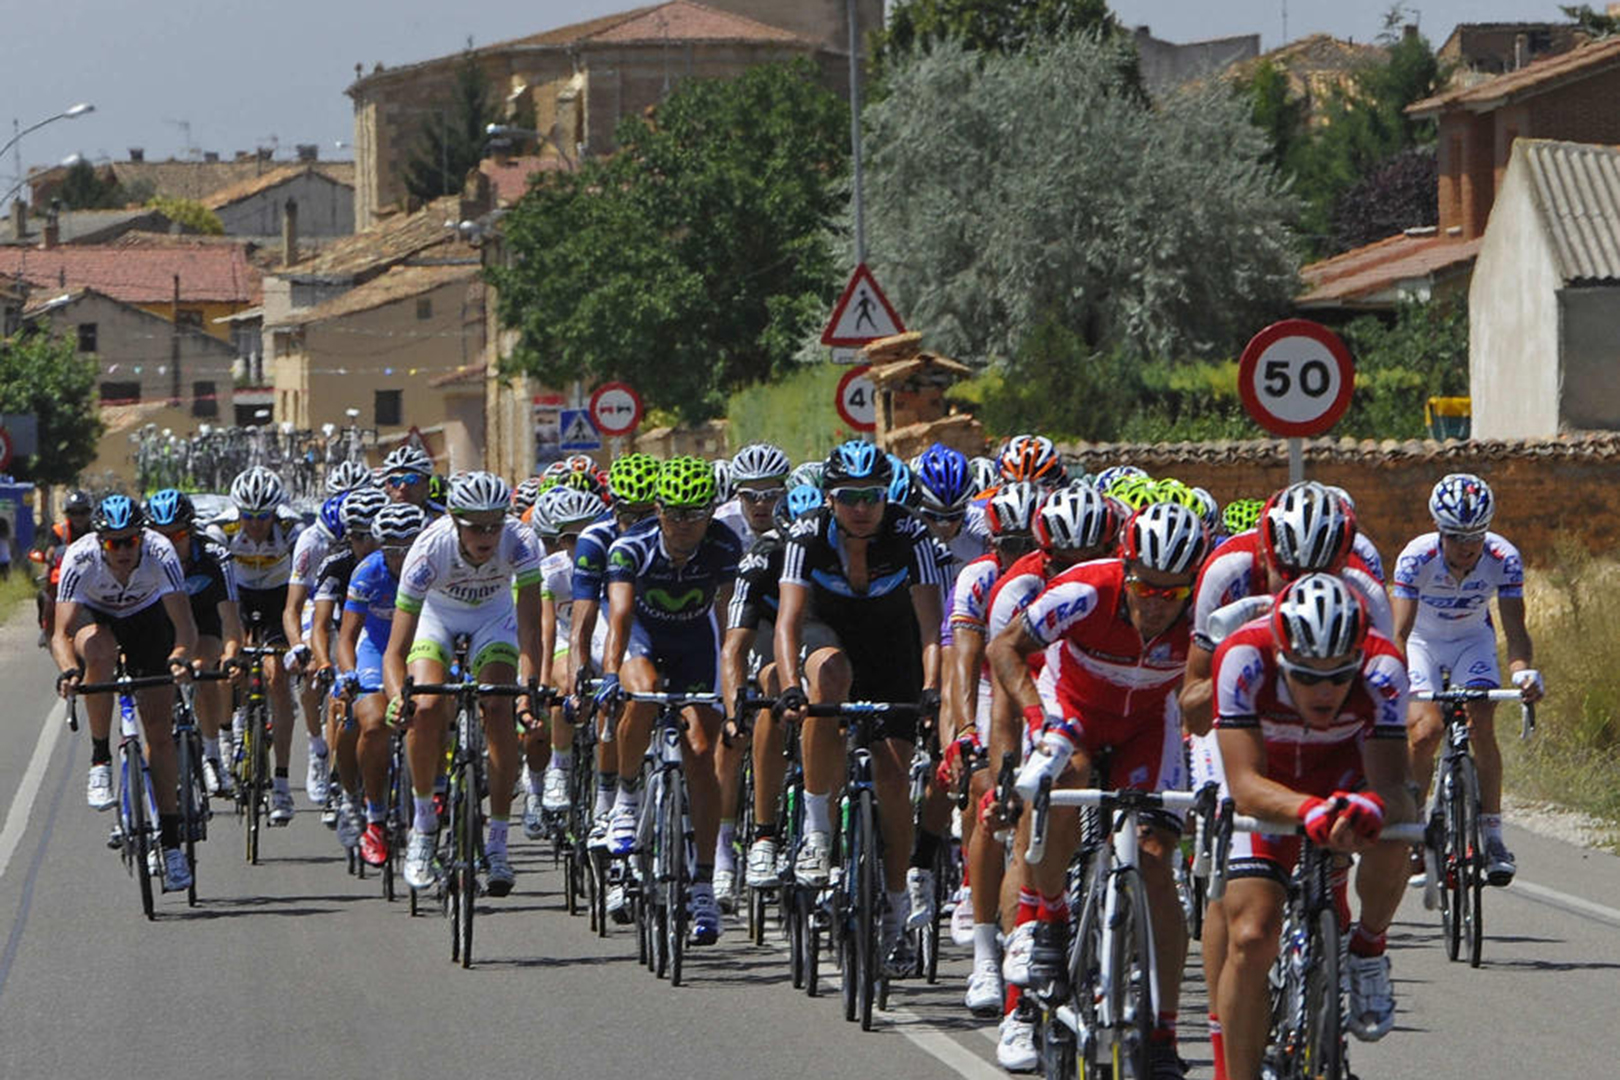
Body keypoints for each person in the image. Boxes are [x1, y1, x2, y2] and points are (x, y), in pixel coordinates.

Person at [994, 502, 1208, 1077]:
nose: (1155, 603)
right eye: (1144, 586)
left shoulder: (1207, 612)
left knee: (1158, 860)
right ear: (1126, 566)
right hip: (1074, 713)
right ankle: (1052, 921)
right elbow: (1004, 648)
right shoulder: (1085, 589)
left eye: (1173, 593)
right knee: (1067, 777)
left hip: (1147, 728)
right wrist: (1038, 722)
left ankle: (1162, 1032)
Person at [1210, 574, 1416, 1080]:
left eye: (1339, 675)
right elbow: (1242, 782)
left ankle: (1368, 948)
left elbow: (1394, 784)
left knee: (1398, 832)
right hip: (1269, 784)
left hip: (1345, 775)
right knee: (1253, 936)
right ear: (1281, 657)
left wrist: (1370, 805)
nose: (1325, 691)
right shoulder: (1242, 657)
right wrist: (1308, 812)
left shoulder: (1383, 667)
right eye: (1305, 676)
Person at [775, 440, 945, 977]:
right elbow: (786, 622)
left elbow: (929, 626)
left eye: (871, 496)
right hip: (831, 639)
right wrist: (787, 687)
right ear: (830, 497)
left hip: (894, 646)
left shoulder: (909, 532)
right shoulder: (807, 536)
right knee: (827, 682)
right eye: (849, 496)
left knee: (895, 781)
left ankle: (895, 907)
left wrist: (932, 688)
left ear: (885, 495)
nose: (861, 507)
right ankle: (819, 829)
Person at [957, 483, 1114, 1025]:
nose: (1078, 571)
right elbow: (1003, 692)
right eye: (1065, 563)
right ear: (1045, 556)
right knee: (1013, 822)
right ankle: (994, 969)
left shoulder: (1122, 579)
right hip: (1024, 692)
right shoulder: (1013, 590)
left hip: (1094, 695)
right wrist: (1002, 776)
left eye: (1090, 559)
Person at [595, 456, 742, 943]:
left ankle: (702, 881)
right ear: (657, 511)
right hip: (643, 637)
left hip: (696, 642)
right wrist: (610, 673)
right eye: (674, 514)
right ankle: (628, 795)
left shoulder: (723, 546)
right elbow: (618, 617)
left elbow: (727, 625)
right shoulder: (629, 547)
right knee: (642, 692)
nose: (684, 525)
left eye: (695, 514)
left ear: (710, 512)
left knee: (702, 752)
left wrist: (730, 694)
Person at [384, 472, 544, 897]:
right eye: (476, 525)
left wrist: (529, 692)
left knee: (497, 706)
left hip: (495, 616)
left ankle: (497, 842)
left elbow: (531, 631)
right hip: (438, 617)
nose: (488, 534)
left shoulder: (522, 542)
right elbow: (395, 651)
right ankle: (422, 826)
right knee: (428, 707)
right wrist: (396, 698)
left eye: (495, 523)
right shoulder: (427, 550)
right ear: (454, 520)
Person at [1393, 473, 1542, 886]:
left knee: (1481, 723)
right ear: (1440, 532)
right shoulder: (1415, 557)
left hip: (1472, 641)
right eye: (1457, 536)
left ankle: (1493, 836)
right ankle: (1415, 832)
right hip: (1422, 642)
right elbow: (1399, 634)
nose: (1468, 546)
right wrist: (1391, 679)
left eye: (1476, 535)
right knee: (1425, 732)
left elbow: (1515, 629)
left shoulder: (1503, 557)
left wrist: (1522, 672)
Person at [51, 495, 199, 892]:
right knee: (98, 651)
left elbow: (183, 626)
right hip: (95, 617)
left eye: (130, 541)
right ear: (100, 542)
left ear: (142, 538)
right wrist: (68, 670)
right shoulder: (80, 557)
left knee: (160, 735)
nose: (123, 550)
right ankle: (100, 758)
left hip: (147, 619)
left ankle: (170, 844)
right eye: (114, 543)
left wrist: (181, 657)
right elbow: (60, 634)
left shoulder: (160, 552)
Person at [723, 484, 827, 893]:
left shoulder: (836, 550)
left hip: (819, 628)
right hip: (768, 628)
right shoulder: (761, 558)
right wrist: (734, 712)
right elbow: (734, 645)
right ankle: (765, 833)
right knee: (770, 688)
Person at [710, 441, 792, 901]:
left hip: (782, 621)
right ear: (737, 497)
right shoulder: (720, 527)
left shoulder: (800, 520)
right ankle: (722, 852)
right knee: (733, 732)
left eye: (771, 494)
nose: (762, 505)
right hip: (735, 625)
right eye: (751, 495)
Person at [569, 452, 661, 846]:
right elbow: (583, 621)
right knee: (624, 694)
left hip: (660, 615)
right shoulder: (595, 540)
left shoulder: (673, 533)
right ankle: (610, 798)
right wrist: (578, 679)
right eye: (628, 514)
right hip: (612, 615)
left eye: (647, 514)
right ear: (613, 507)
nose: (637, 524)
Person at [336, 501, 428, 867]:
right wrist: (348, 674)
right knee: (373, 724)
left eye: (409, 547)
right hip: (376, 649)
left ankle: (444, 791)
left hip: (422, 645)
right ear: (380, 546)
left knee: (440, 710)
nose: (401, 557)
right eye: (392, 549)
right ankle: (374, 818)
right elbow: (346, 638)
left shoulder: (433, 569)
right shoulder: (367, 572)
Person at [215, 466, 304, 825]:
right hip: (236, 595)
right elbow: (216, 586)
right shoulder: (221, 529)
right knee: (230, 662)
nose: (254, 524)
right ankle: (226, 733)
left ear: (275, 512)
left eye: (263, 516)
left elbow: (303, 586)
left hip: (277, 598)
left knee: (277, 676)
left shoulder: (291, 530)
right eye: (248, 516)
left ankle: (281, 783)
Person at [522, 484, 609, 839]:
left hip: (599, 635)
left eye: (588, 534)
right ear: (561, 541)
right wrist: (542, 684)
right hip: (561, 638)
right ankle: (558, 767)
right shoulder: (552, 572)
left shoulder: (615, 562)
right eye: (571, 538)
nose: (580, 546)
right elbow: (544, 631)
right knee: (565, 682)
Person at [145, 489, 243, 797]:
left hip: (203, 624)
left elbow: (230, 617)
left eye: (176, 535)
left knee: (202, 670)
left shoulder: (216, 557)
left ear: (190, 530)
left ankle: (212, 754)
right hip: (159, 626)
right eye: (161, 536)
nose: (169, 544)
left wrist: (230, 656)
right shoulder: (143, 558)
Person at [307, 487, 388, 849]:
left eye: (372, 535)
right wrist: (324, 661)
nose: (365, 544)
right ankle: (350, 795)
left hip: (393, 641)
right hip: (349, 641)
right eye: (357, 536)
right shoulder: (335, 566)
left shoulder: (399, 562)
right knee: (346, 711)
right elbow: (321, 624)